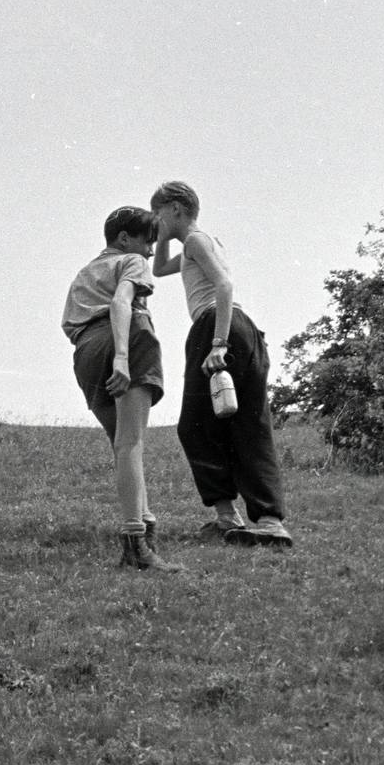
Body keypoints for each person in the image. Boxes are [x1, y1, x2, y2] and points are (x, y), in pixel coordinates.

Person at [149, 181, 291, 546]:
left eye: (159, 212)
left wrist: (218, 343)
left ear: (177, 209)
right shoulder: (200, 244)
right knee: (249, 425)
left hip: (218, 325)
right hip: (243, 330)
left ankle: (229, 516)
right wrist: (162, 232)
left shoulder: (196, 240)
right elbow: (161, 267)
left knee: (195, 426)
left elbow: (224, 285)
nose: (154, 219)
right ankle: (269, 522)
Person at [62, 206, 181, 572]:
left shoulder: (85, 273)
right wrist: (122, 357)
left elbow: (69, 325)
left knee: (123, 443)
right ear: (125, 239)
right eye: (148, 240)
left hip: (85, 350)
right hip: (125, 339)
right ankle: (136, 546)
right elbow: (121, 302)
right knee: (131, 442)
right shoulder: (131, 261)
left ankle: (145, 528)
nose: (150, 249)